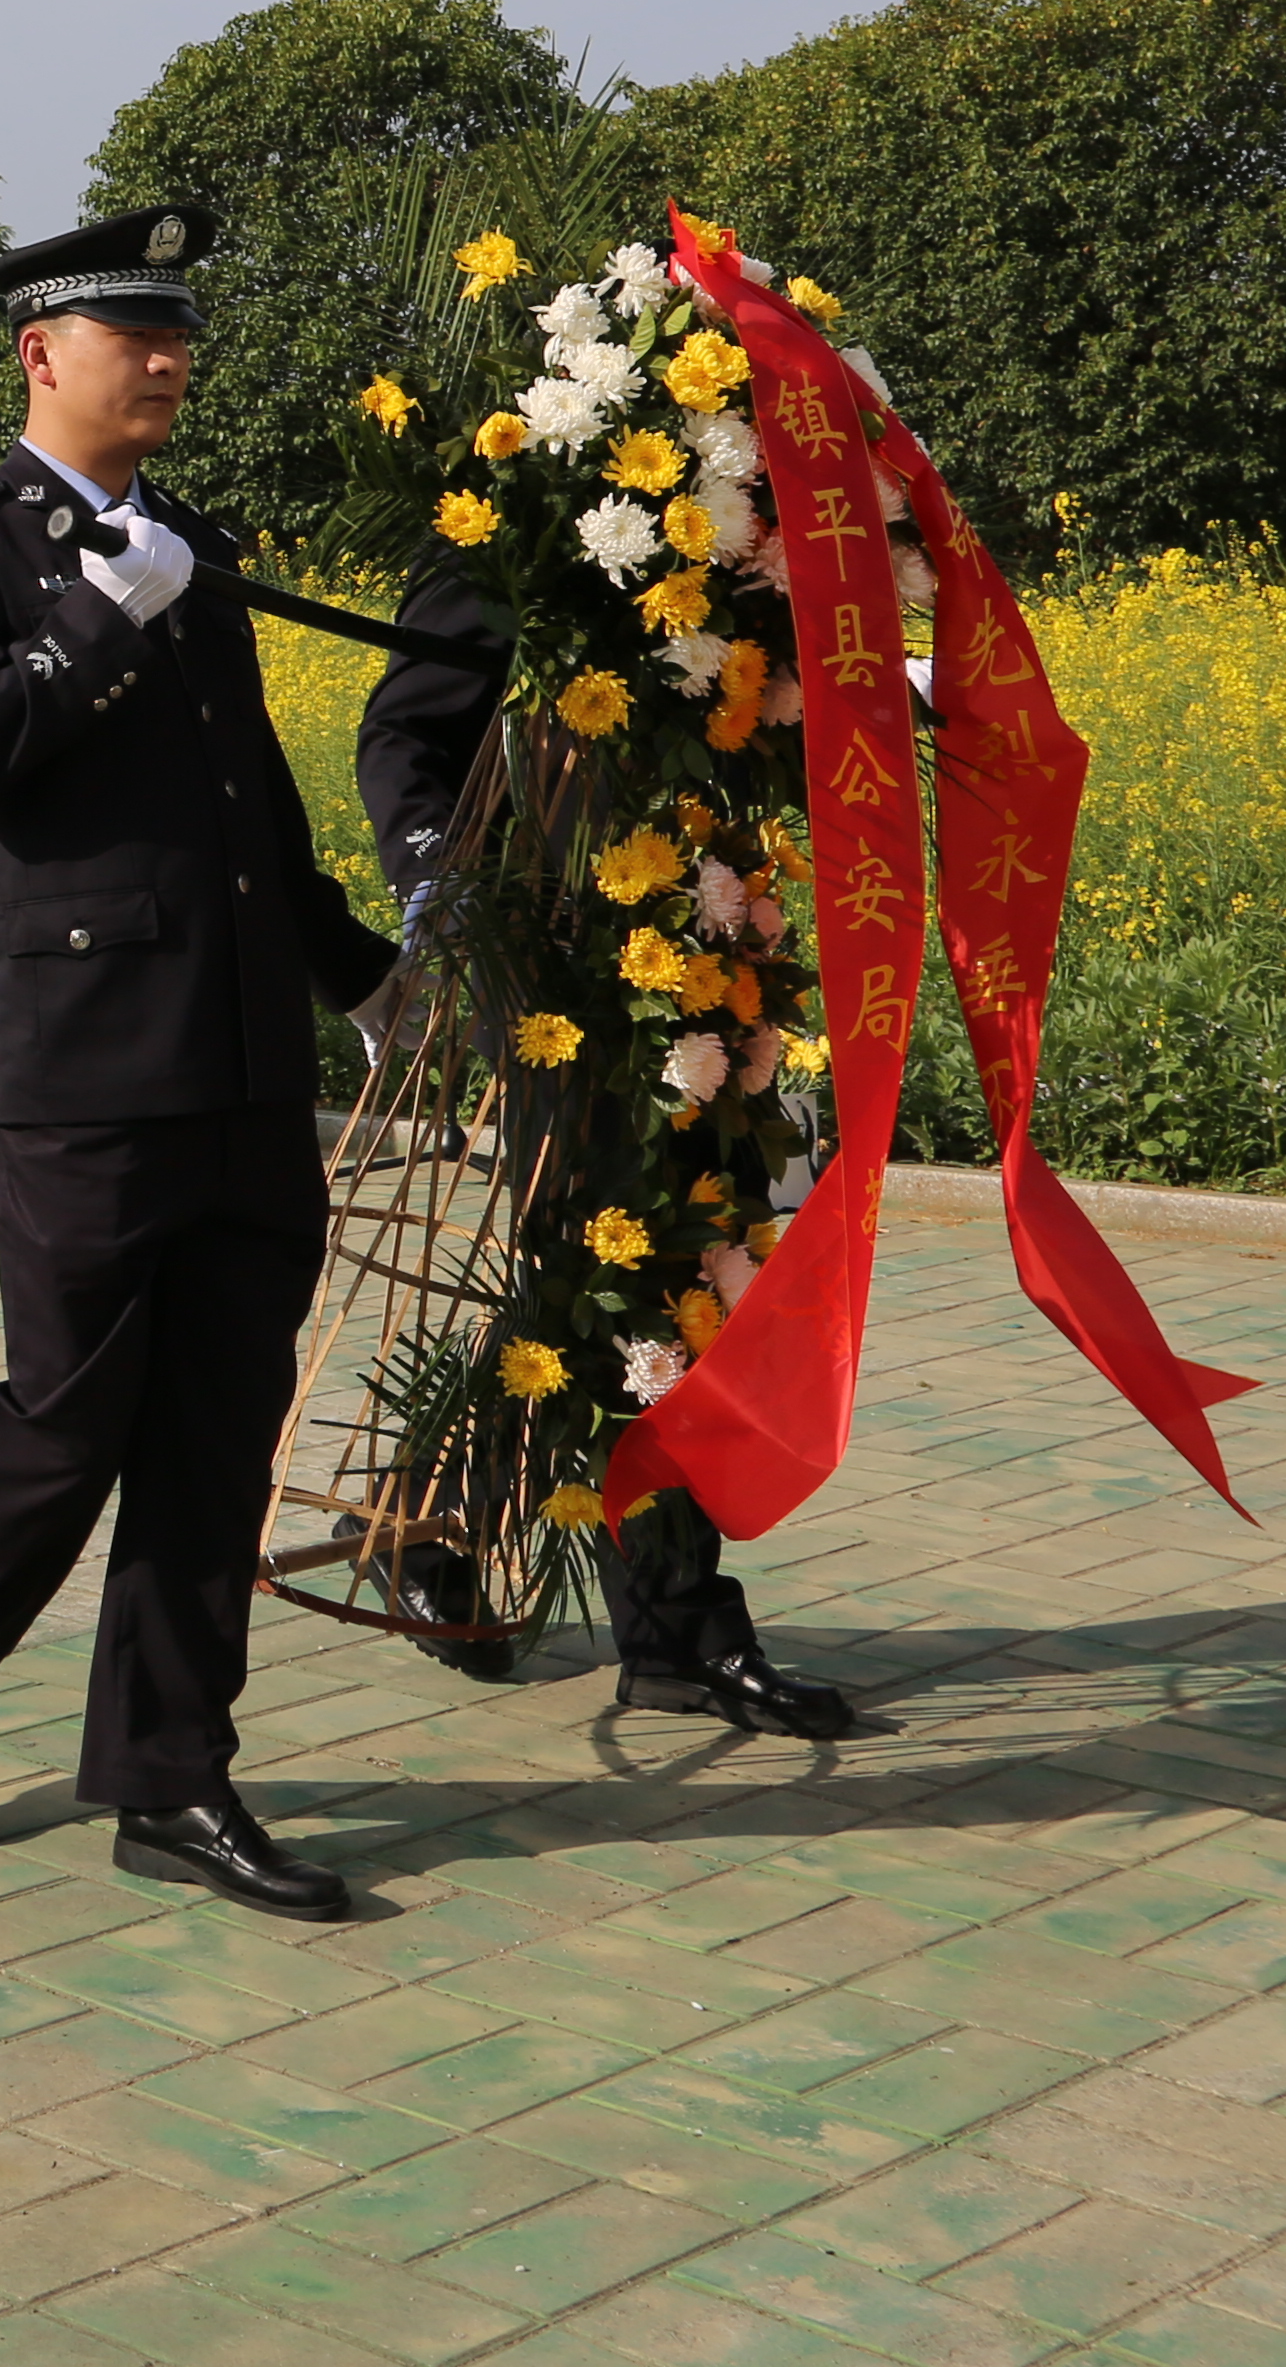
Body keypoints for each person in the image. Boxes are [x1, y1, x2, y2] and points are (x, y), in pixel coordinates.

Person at [0, 203, 398, 1923]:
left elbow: (249, 798)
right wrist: (91, 622)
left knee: (219, 1430)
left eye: (178, 336)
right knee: (70, 1413)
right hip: (78, 1066)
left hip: (236, 1061)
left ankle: (171, 1777)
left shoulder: (188, 541)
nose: (167, 360)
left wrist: (355, 977)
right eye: (132, 335)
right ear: (41, 355)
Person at [351, 564, 858, 1740]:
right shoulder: (513, 532)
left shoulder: (739, 545)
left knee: (676, 1260)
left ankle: (427, 1511)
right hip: (560, 973)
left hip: (705, 950)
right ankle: (675, 1627)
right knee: (622, 1274)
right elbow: (404, 737)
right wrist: (448, 890)